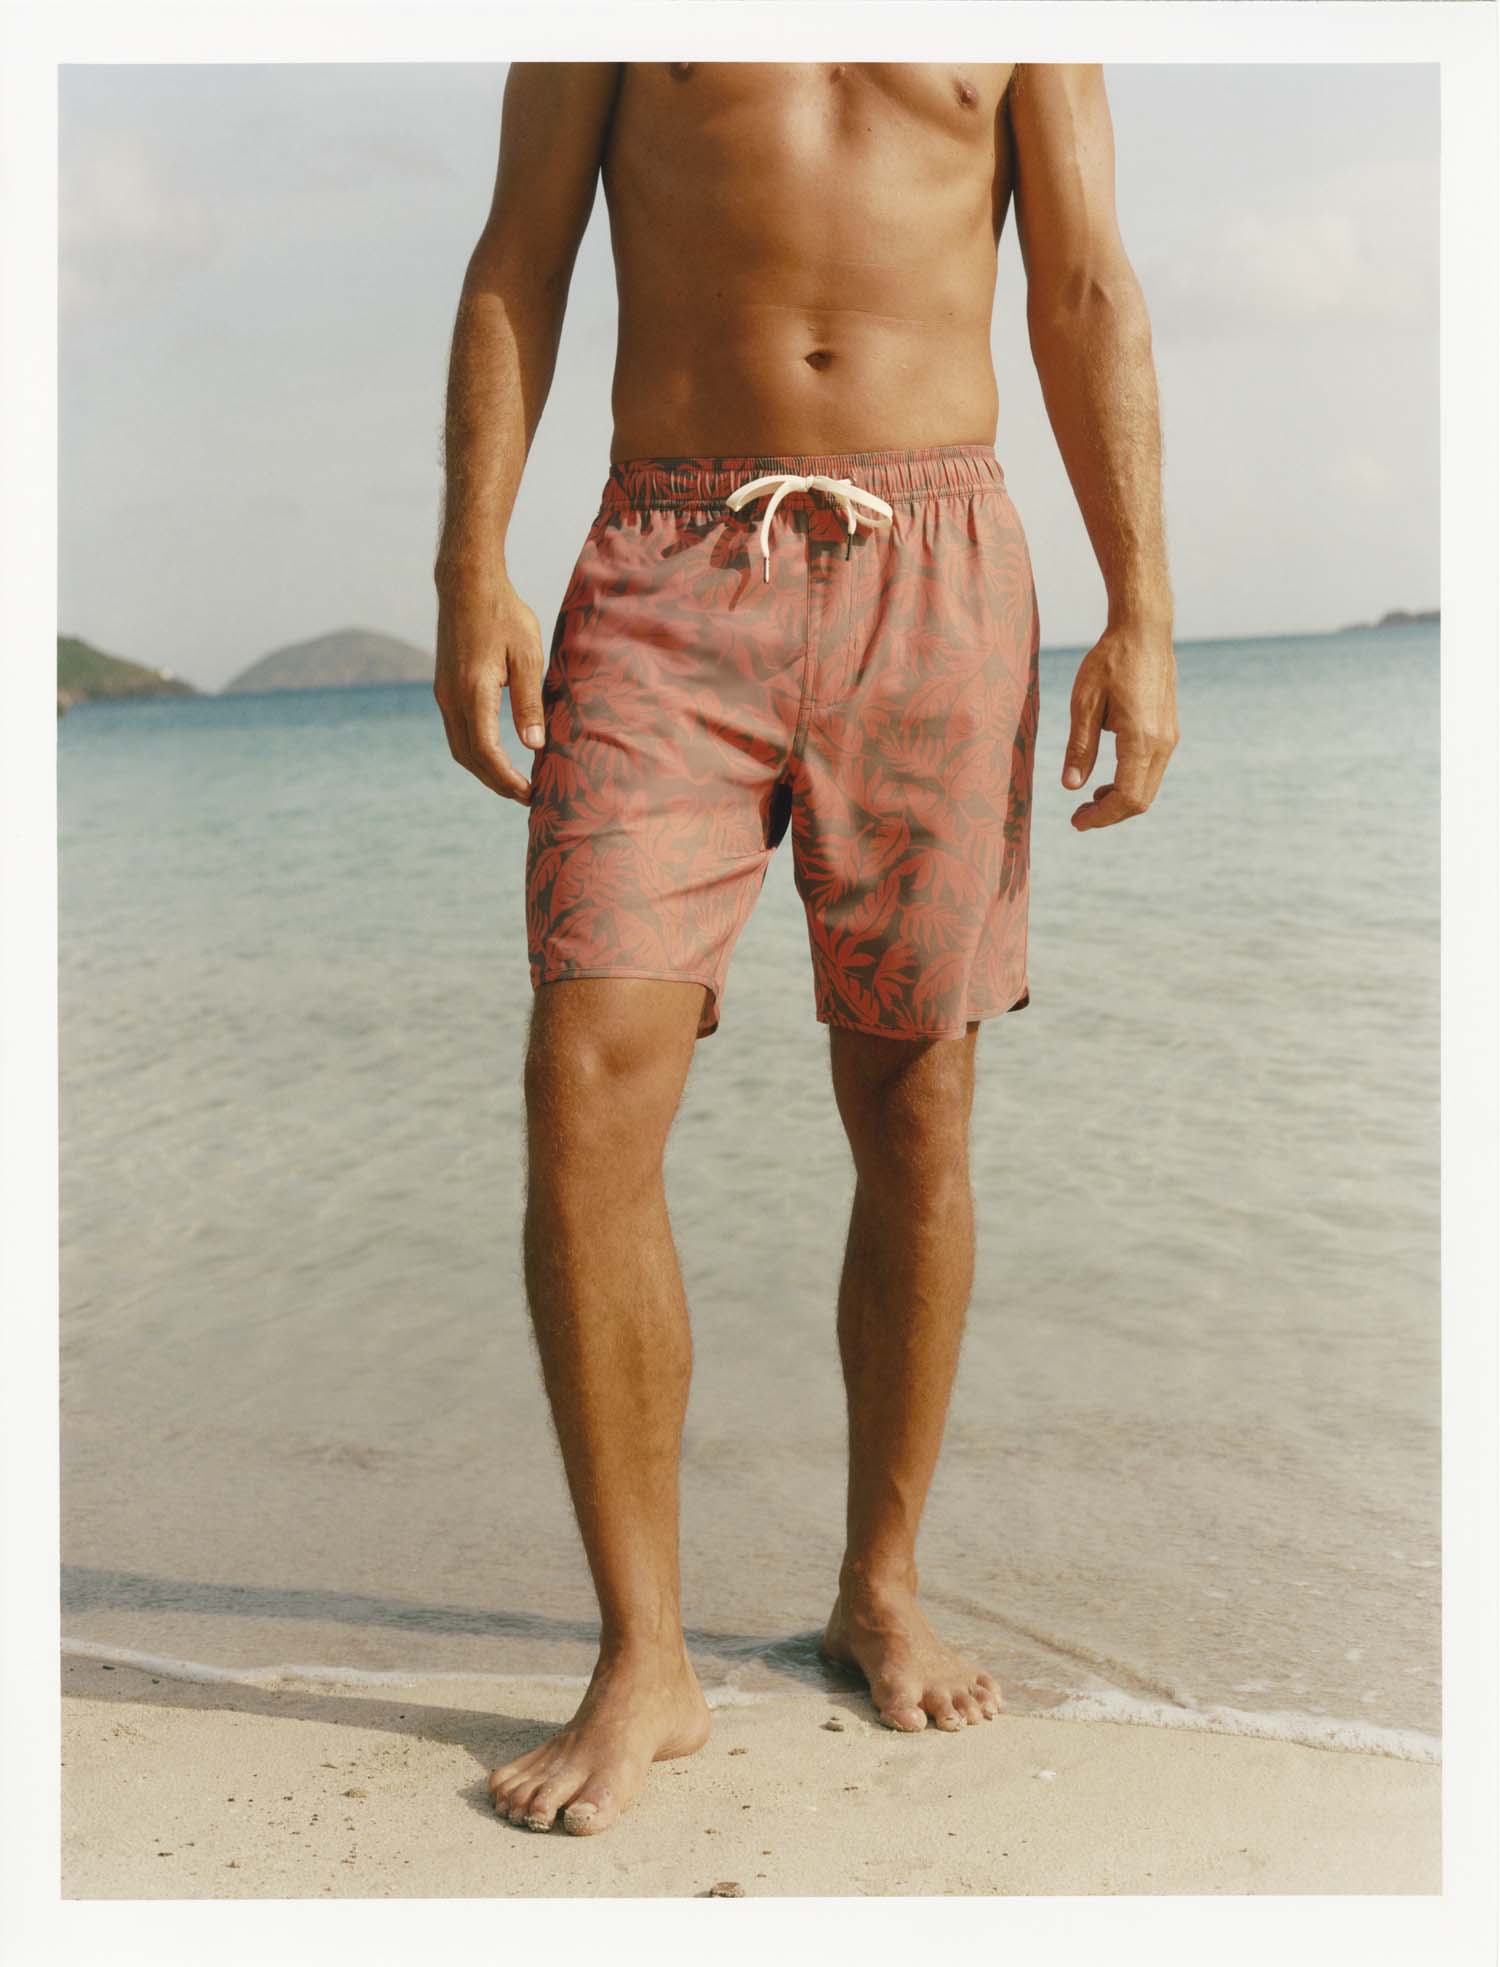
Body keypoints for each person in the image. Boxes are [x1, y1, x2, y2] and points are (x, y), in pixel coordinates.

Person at [433, 61, 1178, 1838]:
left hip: (944, 562)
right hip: (668, 559)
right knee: (585, 1075)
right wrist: (474, 563)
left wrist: (1143, 603)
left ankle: (881, 1586)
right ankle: (644, 1657)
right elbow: (516, 261)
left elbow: (1081, 285)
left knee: (914, 1102)